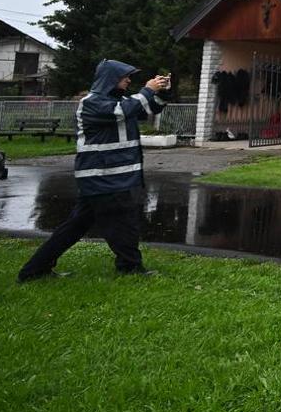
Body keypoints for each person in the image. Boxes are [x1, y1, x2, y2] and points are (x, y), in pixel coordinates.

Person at [17, 60, 169, 281]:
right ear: (110, 79)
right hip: (105, 178)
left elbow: (147, 107)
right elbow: (124, 110)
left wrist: (162, 92)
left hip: (109, 178)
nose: (128, 80)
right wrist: (148, 89)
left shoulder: (121, 101)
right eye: (124, 76)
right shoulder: (92, 103)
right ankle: (129, 266)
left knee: (74, 227)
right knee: (124, 223)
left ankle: (34, 270)